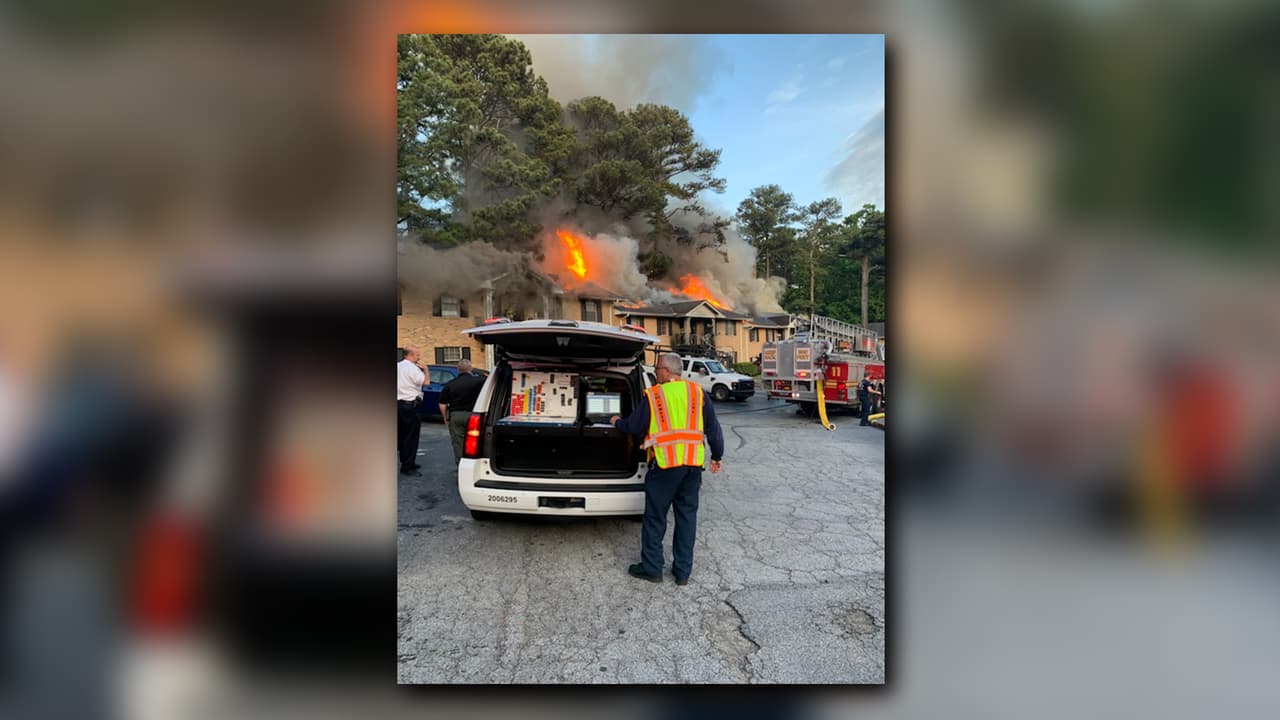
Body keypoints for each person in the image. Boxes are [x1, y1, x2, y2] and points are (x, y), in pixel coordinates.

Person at [610, 352, 724, 586]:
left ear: (667, 370)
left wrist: (616, 422)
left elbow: (634, 426)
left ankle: (652, 568)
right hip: (692, 466)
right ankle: (682, 573)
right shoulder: (697, 393)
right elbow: (713, 428)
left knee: (655, 517)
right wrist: (717, 455)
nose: (654, 371)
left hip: (665, 466)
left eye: (657, 367)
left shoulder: (655, 396)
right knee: (686, 518)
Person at [438, 359, 484, 463]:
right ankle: (473, 462)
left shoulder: (450, 384)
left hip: (456, 415)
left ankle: (460, 463)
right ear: (471, 368)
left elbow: (442, 403)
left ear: (458, 369)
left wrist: (445, 418)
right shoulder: (479, 381)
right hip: (474, 415)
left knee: (458, 442)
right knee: (475, 439)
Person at [397, 346, 428, 476]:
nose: (419, 357)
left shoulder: (398, 366)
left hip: (399, 404)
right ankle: (407, 466)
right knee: (411, 436)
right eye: (417, 355)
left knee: (402, 435)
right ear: (411, 355)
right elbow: (426, 382)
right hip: (411, 405)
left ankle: (407, 460)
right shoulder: (413, 368)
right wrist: (426, 370)